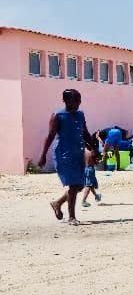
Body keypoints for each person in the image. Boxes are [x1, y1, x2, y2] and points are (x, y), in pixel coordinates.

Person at [39, 88, 95, 225]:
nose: (78, 103)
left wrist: (94, 148)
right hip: (63, 154)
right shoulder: (58, 115)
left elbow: (85, 132)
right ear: (66, 101)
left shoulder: (80, 115)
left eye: (79, 100)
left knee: (79, 185)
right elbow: (50, 136)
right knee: (74, 184)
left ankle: (57, 203)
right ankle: (72, 217)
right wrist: (43, 155)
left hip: (78, 153)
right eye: (76, 101)